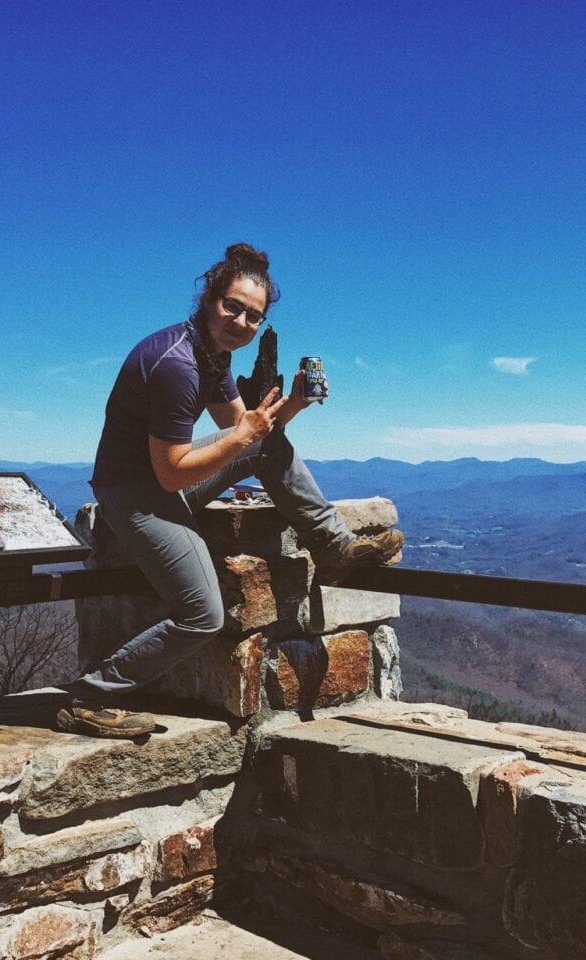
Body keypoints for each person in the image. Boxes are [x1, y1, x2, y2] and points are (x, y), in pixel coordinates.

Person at [56, 243, 404, 739]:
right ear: (208, 300)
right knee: (203, 615)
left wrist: (292, 409)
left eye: (253, 316)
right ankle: (89, 695)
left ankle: (334, 547)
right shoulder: (178, 365)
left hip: (159, 481)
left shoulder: (211, 357)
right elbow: (173, 474)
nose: (241, 321)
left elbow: (247, 432)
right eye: (232, 307)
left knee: (267, 444)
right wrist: (246, 435)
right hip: (134, 494)